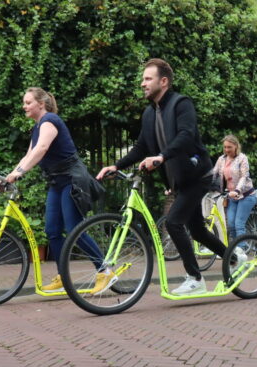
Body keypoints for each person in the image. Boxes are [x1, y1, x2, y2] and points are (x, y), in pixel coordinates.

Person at [97, 58, 227, 295]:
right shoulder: (149, 114)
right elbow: (141, 147)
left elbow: (186, 136)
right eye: (143, 79)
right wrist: (115, 166)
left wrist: (161, 157)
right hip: (180, 181)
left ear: (163, 81)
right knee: (197, 230)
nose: (142, 83)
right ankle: (235, 258)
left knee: (173, 222)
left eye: (148, 79)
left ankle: (195, 278)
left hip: (198, 175)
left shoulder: (181, 104)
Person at [5, 87, 111, 293]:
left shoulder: (50, 121)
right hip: (57, 182)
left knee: (74, 230)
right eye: (24, 102)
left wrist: (19, 173)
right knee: (52, 231)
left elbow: (42, 148)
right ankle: (64, 276)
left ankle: (105, 270)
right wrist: (10, 175)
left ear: (41, 104)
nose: (24, 106)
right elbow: (29, 156)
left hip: (72, 180)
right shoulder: (37, 128)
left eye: (28, 102)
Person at [211, 135, 257, 247]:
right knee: (231, 225)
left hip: (246, 195)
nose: (227, 150)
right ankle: (239, 247)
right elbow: (214, 174)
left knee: (238, 224)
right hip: (232, 196)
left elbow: (244, 176)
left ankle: (241, 253)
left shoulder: (242, 158)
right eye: (225, 147)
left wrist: (237, 190)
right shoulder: (221, 159)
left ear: (236, 146)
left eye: (229, 147)